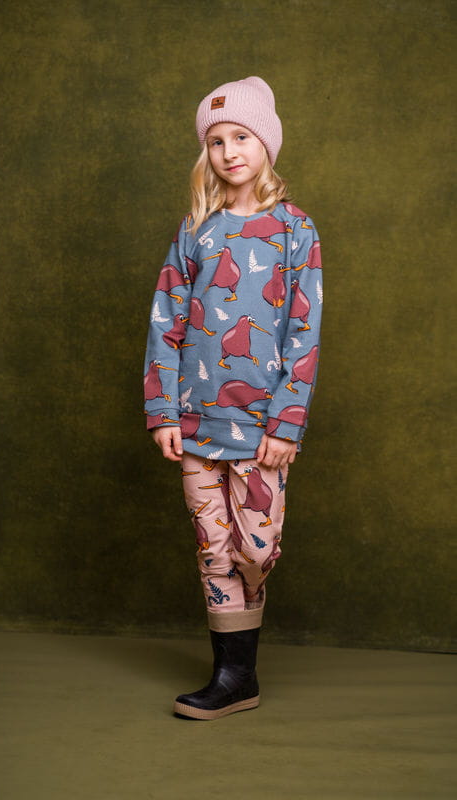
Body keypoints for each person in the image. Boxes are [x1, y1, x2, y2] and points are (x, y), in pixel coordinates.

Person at [143, 76, 322, 720]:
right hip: (196, 423)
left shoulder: (295, 230)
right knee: (211, 547)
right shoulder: (197, 228)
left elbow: (304, 330)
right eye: (215, 141)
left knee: (255, 547)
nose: (228, 151)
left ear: (265, 143)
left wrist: (286, 421)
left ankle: (240, 660)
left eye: (240, 136)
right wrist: (162, 409)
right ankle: (233, 678)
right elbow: (166, 320)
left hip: (262, 428)